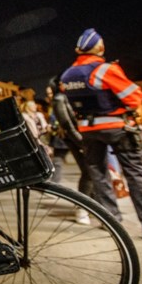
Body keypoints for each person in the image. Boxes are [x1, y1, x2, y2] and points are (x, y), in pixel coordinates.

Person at [60, 28, 142, 241]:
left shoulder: (67, 75)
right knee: (135, 174)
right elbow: (133, 98)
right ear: (100, 47)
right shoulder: (105, 69)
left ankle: (111, 221)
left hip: (88, 130)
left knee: (98, 174)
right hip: (116, 127)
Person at [46, 76, 93, 224]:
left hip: (87, 136)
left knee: (94, 172)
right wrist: (80, 140)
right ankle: (82, 208)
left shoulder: (68, 96)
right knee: (89, 171)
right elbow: (67, 124)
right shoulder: (60, 98)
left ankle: (92, 206)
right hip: (77, 139)